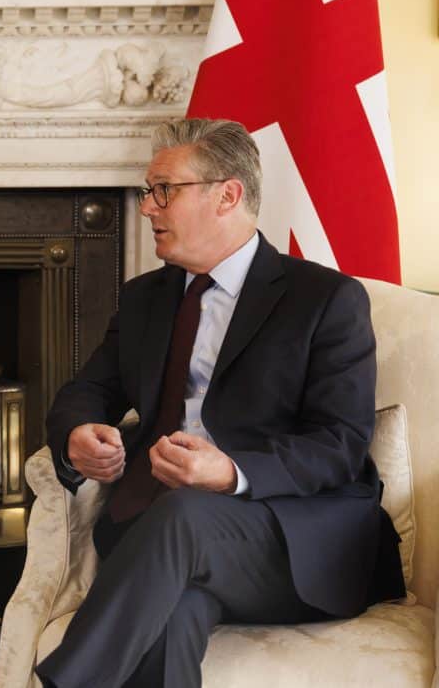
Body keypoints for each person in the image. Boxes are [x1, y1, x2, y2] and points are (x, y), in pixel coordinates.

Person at [35, 118, 404, 688]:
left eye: (164, 190)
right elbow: (88, 391)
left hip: (290, 541)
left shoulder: (325, 299)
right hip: (157, 535)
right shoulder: (144, 298)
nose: (147, 207)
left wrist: (230, 472)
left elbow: (340, 444)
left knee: (185, 513)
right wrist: (78, 433)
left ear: (227, 195)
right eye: (148, 191)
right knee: (172, 613)